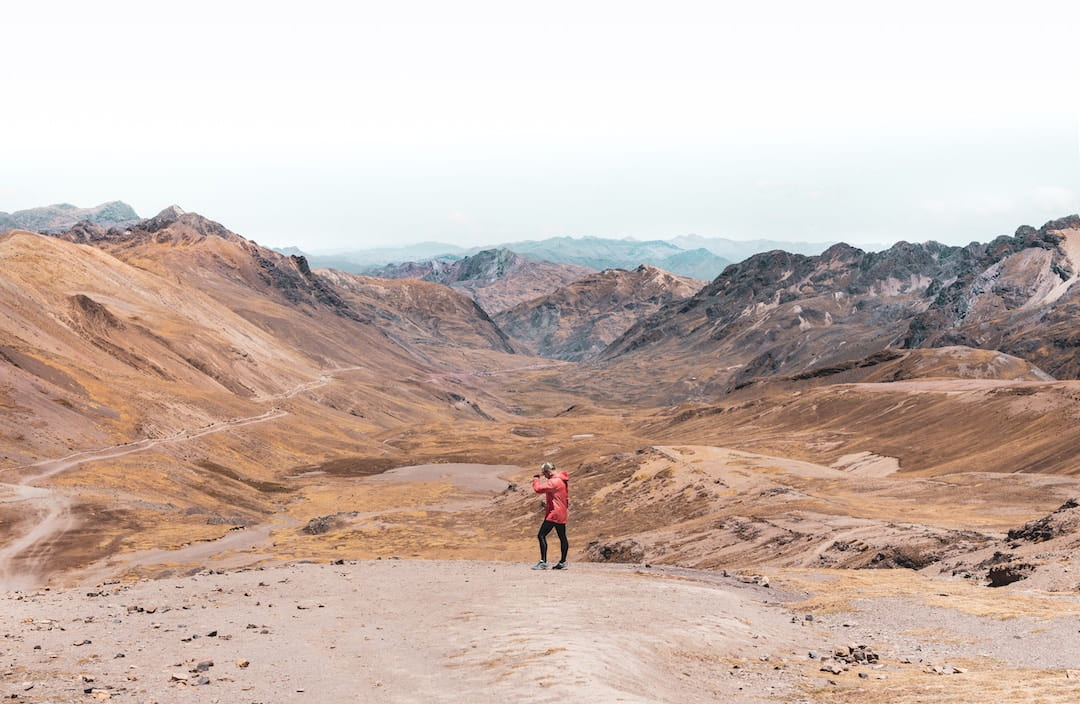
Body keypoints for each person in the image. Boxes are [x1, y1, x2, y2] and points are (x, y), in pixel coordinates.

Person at [531, 461, 569, 570]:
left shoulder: (554, 482)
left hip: (554, 513)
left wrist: (536, 479)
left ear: (548, 472)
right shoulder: (562, 480)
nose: (545, 477)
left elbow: (538, 489)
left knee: (541, 535)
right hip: (561, 512)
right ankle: (562, 562)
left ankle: (543, 562)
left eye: (545, 474)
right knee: (562, 537)